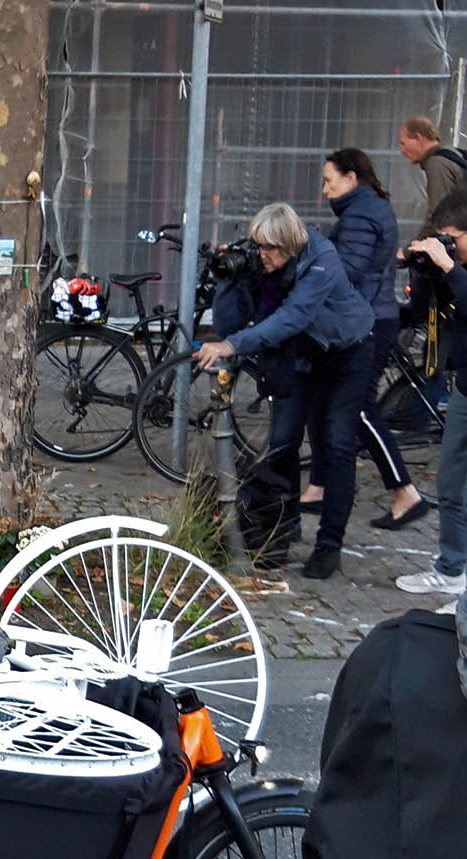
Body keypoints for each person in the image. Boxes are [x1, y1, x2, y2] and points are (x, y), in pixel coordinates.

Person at [196, 202, 373, 580]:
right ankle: (283, 525)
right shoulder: (262, 257)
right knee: (283, 442)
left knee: (337, 444)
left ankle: (329, 545)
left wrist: (232, 346)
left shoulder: (321, 259)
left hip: (347, 352)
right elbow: (230, 322)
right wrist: (231, 278)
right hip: (303, 353)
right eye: (257, 248)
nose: (262, 256)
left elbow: (292, 317)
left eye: (269, 250)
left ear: (290, 245)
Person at [301, 148, 427, 530]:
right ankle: (320, 486)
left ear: (351, 178)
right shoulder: (365, 209)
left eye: (329, 180)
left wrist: (308, 261)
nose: (324, 189)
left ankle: (406, 492)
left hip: (368, 323)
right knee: (322, 402)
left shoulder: (361, 215)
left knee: (357, 410)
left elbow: (347, 271)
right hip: (368, 317)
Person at [396, 194, 467, 604]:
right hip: (465, 388)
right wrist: (424, 271)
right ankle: (451, 569)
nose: (447, 245)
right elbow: (423, 311)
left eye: (453, 239)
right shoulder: (452, 268)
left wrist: (448, 266)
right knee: (451, 483)